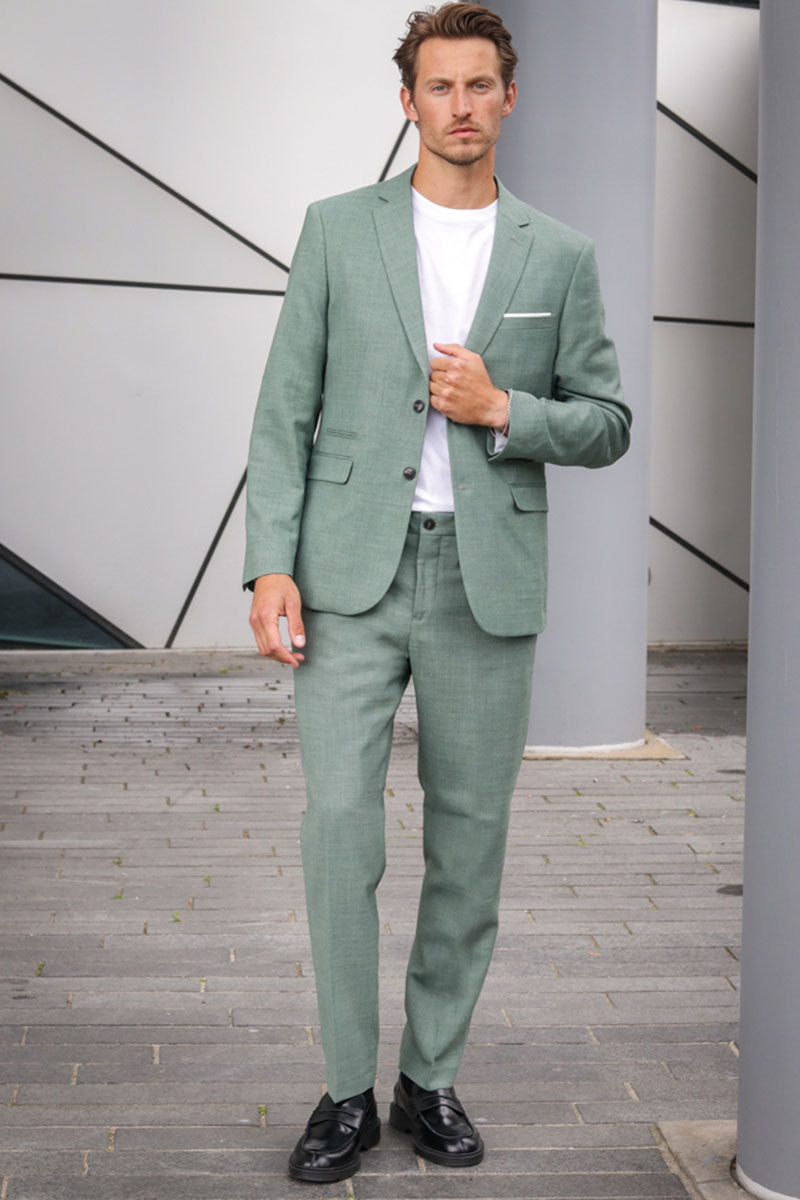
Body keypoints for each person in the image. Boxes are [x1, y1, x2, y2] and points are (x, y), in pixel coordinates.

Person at [244, 2, 631, 1183]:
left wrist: (504, 409)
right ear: (406, 101)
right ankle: (343, 1092)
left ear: (508, 98)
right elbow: (284, 410)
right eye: (438, 86)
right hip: (347, 577)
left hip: (482, 579)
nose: (459, 106)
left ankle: (428, 1079)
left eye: (478, 85)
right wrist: (270, 562)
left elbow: (607, 422)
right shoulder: (335, 230)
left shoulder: (557, 253)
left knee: (469, 843)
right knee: (338, 834)